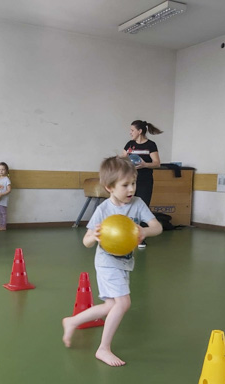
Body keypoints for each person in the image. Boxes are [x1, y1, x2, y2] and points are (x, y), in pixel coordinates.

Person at [62, 156, 163, 367]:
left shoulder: (137, 204)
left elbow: (157, 227)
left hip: (125, 263)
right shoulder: (103, 210)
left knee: (111, 305)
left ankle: (72, 321)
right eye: (125, 185)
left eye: (133, 183)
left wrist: (144, 231)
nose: (131, 189)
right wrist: (93, 236)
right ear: (109, 187)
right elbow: (86, 242)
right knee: (124, 303)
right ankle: (103, 348)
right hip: (106, 262)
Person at [122, 120, 162, 248]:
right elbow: (123, 159)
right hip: (130, 180)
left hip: (145, 180)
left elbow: (157, 163)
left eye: (132, 130)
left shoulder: (151, 145)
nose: (130, 133)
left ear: (139, 131)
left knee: (142, 207)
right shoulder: (130, 144)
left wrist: (145, 164)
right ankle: (126, 234)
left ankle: (140, 237)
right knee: (128, 206)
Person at [0, 162, 12, 231]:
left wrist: (2, 194)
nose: (1, 171)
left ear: (6, 170)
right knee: (0, 213)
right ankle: (1, 225)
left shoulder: (7, 179)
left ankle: (3, 226)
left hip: (3, 200)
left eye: (3, 169)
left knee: (3, 213)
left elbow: (9, 190)